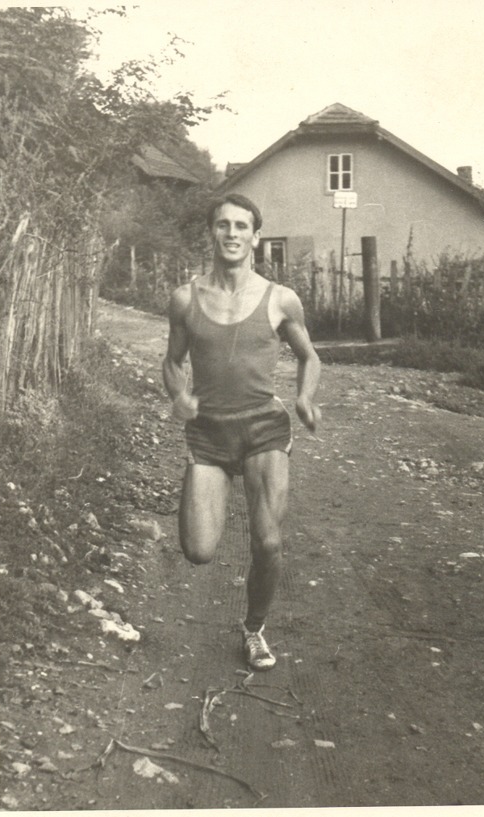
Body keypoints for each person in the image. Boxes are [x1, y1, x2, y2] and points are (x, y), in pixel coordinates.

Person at [162, 192, 321, 671]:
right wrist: (178, 394)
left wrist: (304, 398)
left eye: (241, 226)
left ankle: (254, 629)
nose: (231, 234)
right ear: (212, 232)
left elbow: (309, 357)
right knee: (197, 551)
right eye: (223, 225)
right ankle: (201, 486)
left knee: (267, 541)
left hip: (263, 429)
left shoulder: (280, 298)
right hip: (208, 435)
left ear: (255, 237)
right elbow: (172, 361)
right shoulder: (185, 299)